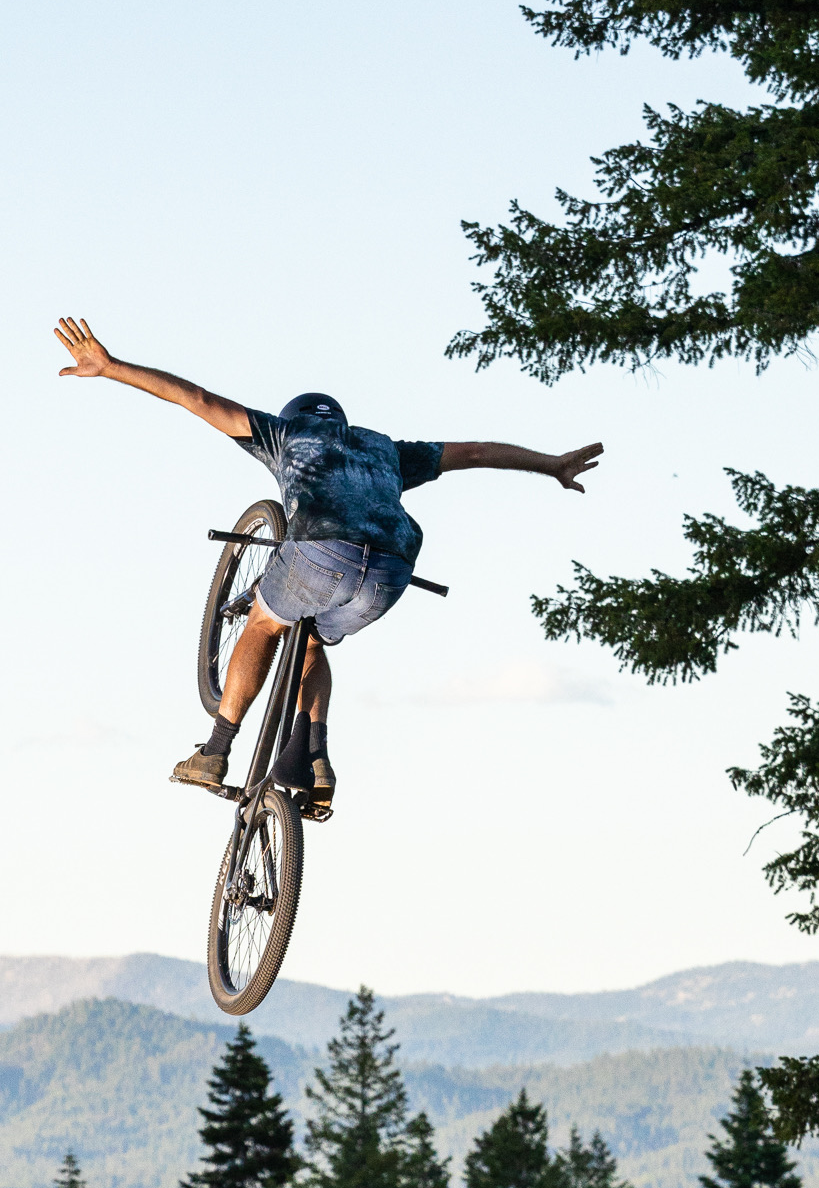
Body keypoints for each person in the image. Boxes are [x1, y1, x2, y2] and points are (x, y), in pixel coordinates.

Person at [54, 317, 602, 820]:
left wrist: (111, 367)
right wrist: (551, 465)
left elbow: (195, 398)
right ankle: (317, 762)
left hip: (323, 550)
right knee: (312, 640)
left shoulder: (282, 434)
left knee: (264, 622)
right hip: (392, 572)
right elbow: (478, 452)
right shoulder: (387, 450)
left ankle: (215, 751)